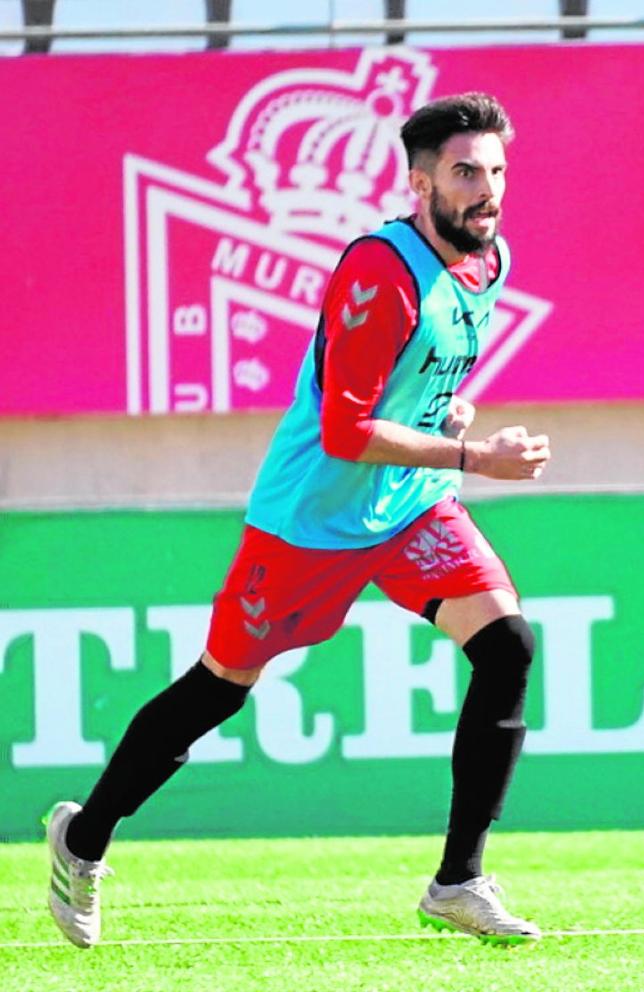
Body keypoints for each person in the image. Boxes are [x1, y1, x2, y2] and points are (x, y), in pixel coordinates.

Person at [46, 92, 551, 946]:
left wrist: (448, 414)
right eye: (466, 171)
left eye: (496, 170)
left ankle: (458, 882)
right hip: (311, 522)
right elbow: (346, 431)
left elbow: (415, 384)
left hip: (407, 509)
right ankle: (81, 840)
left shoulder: (488, 259)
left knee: (507, 647)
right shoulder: (379, 272)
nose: (487, 189)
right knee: (218, 689)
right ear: (419, 183)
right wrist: (474, 459)